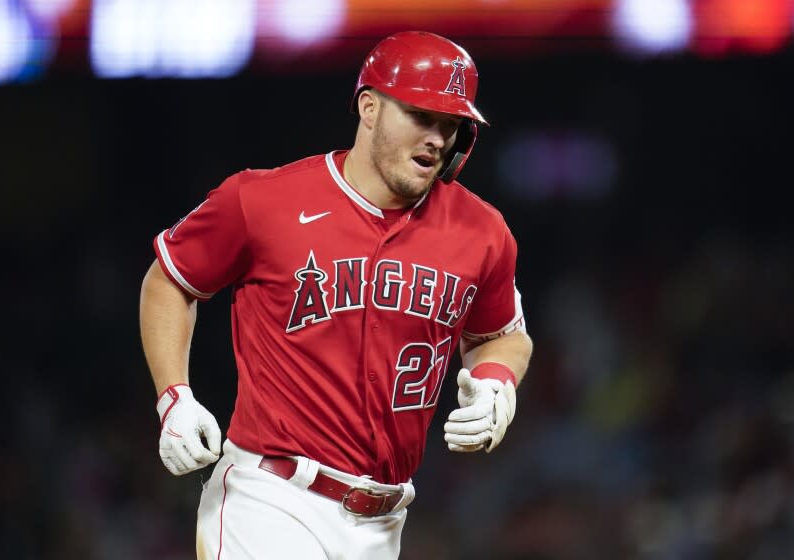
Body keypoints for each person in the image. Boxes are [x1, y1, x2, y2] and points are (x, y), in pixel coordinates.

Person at [139, 30, 533, 559]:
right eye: (421, 115)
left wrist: (495, 385)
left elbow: (503, 336)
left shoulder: (482, 231)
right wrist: (174, 398)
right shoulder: (263, 201)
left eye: (450, 123)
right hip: (272, 497)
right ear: (368, 107)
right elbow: (169, 281)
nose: (436, 137)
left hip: (385, 519)